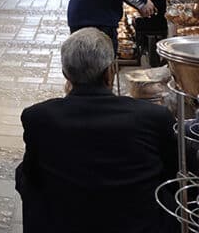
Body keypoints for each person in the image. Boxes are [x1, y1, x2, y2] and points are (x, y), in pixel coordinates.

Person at [16, 28, 178, 233]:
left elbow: (30, 174)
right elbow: (172, 173)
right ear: (110, 71)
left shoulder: (38, 117)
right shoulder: (153, 117)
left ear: (66, 73)